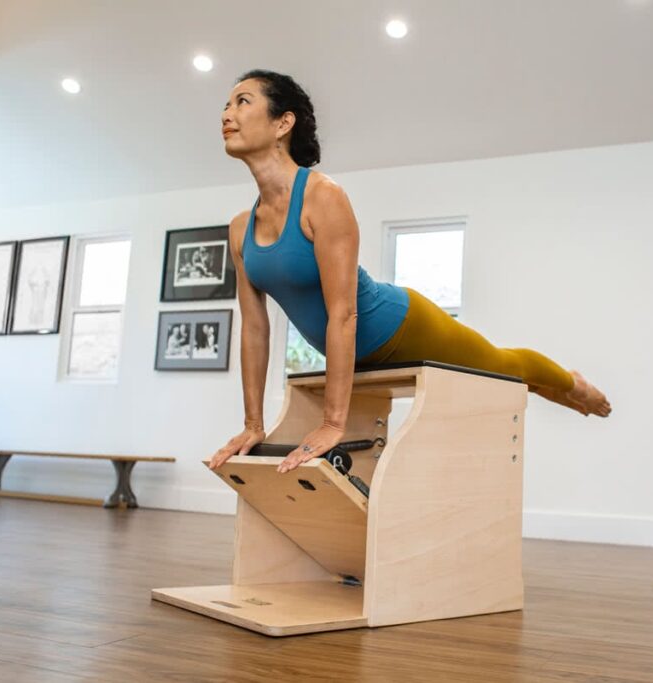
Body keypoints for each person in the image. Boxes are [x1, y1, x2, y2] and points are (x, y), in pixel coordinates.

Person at [209, 70, 611, 474]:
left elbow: (343, 314)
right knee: (505, 376)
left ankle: (568, 383)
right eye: (226, 104)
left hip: (399, 324)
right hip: (357, 352)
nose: (228, 113)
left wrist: (334, 423)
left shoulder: (322, 197)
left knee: (501, 367)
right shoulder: (241, 229)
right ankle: (550, 385)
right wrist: (252, 425)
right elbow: (256, 330)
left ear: (283, 122)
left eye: (242, 101)